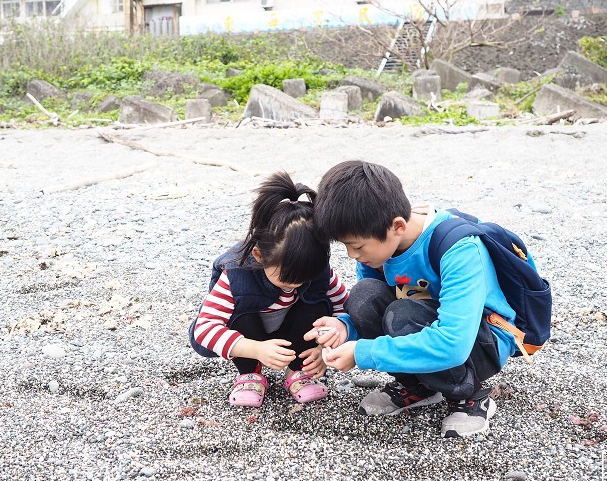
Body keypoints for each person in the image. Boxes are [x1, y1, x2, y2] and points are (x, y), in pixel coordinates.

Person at [307, 160, 519, 437]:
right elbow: (375, 305)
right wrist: (345, 328)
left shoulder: (458, 249)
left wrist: (363, 353)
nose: (351, 255)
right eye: (345, 246)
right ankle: (419, 387)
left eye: (356, 246)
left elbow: (453, 343)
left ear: (396, 226)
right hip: (421, 322)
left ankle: (471, 396)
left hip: (481, 341)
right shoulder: (381, 249)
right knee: (363, 295)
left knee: (404, 314)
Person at [189, 171, 349, 408]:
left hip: (295, 333)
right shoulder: (236, 274)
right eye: (286, 279)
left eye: (304, 278)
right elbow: (203, 330)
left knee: (317, 304)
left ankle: (299, 371)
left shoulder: (319, 272)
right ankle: (249, 373)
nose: (295, 286)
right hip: (251, 334)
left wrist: (322, 349)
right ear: (259, 256)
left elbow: (343, 310)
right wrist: (256, 349)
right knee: (239, 315)